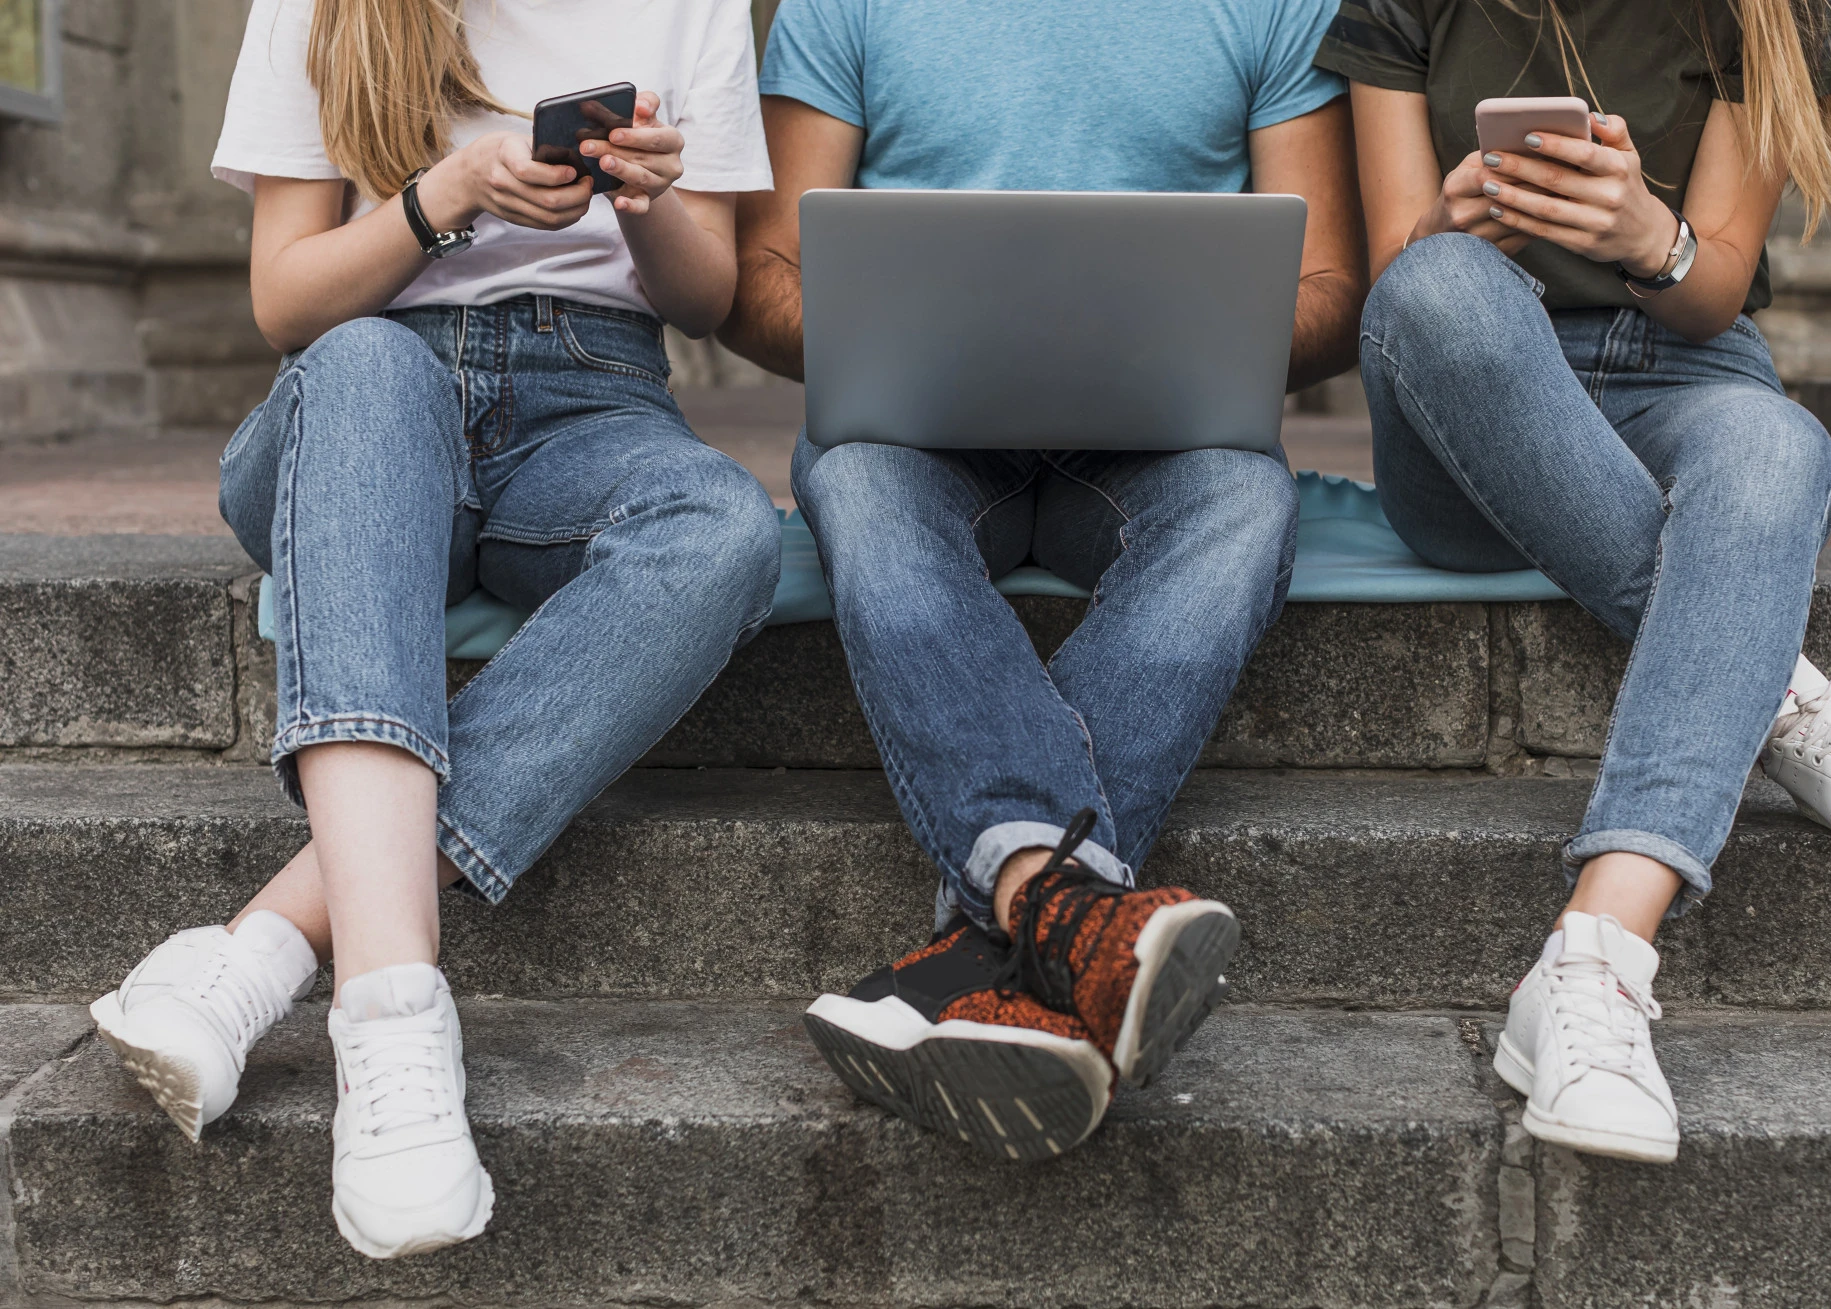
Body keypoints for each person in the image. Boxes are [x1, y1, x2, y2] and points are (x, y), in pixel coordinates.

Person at [88, 0, 779, 1257]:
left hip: (592, 395)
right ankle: (395, 1016)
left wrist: (647, 202)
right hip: (359, 384)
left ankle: (264, 948)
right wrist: (442, 193)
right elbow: (286, 304)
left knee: (725, 528)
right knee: (364, 365)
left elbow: (707, 296)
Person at [1319, 0, 1831, 1164]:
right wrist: (1450, 222)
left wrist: (1646, 234)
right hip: (1466, 389)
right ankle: (1774, 687)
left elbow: (1711, 288)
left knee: (1778, 447)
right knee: (1434, 285)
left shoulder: (1773, 15)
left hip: (1674, 366)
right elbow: (1393, 277)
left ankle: (1594, 961)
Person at [718, 0, 1365, 1160]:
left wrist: (1157, 340)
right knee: (858, 489)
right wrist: (921, 338)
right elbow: (757, 276)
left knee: (1246, 507)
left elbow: (1329, 288)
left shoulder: (1275, 7)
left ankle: (985, 940)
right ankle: (1065, 918)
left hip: (1160, 441)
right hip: (912, 435)